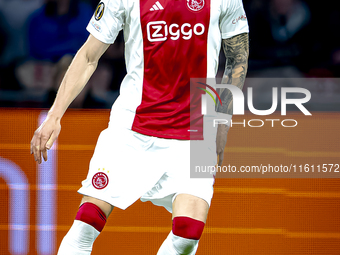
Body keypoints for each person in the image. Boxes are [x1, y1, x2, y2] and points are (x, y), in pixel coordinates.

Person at [30, 0, 249, 254]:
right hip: (132, 130)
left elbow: (237, 57)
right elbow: (89, 55)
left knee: (187, 235)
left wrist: (221, 122)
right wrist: (55, 115)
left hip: (195, 134)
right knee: (87, 223)